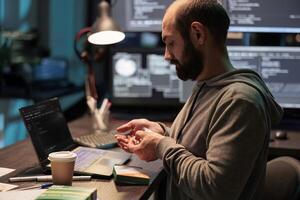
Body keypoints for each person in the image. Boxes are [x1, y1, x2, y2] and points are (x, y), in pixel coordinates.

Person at [115, 0, 283, 199]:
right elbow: (203, 147)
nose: (167, 56)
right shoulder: (208, 85)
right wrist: (162, 133)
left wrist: (161, 145)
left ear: (198, 34)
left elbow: (215, 188)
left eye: (171, 43)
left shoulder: (239, 101)